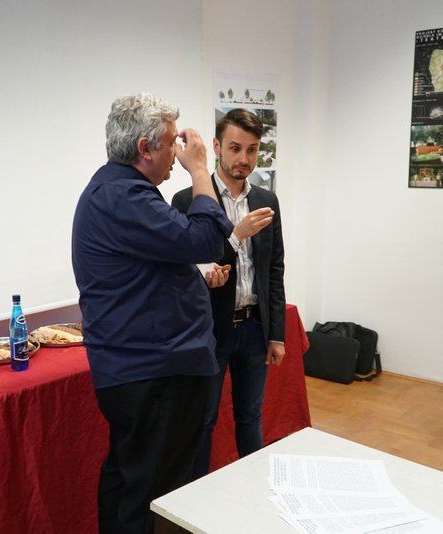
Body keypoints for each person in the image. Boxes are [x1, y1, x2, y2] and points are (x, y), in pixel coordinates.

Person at [71, 93, 233, 534]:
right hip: (155, 371)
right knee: (154, 496)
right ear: (145, 148)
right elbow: (207, 240)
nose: (177, 153)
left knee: (129, 480)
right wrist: (200, 170)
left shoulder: (116, 193)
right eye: (171, 142)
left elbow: (150, 273)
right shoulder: (125, 197)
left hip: (141, 367)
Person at [171, 108, 286, 480]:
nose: (244, 159)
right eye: (235, 148)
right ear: (217, 147)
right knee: (203, 420)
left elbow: (274, 270)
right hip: (210, 329)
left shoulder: (267, 200)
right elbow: (185, 272)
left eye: (252, 150)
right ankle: (195, 500)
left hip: (254, 328)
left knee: (250, 416)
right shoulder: (188, 201)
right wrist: (236, 235)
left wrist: (277, 333)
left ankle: (252, 490)